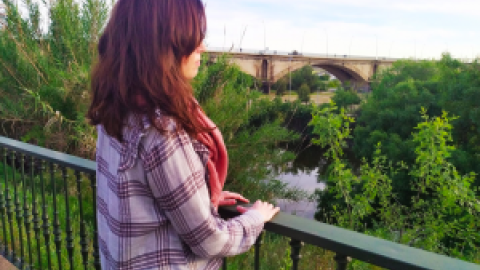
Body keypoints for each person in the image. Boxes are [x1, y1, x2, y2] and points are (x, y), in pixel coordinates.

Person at [86, 0, 280, 269]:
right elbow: (208, 240)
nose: (202, 47)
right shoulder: (163, 130)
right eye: (193, 38)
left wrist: (201, 198)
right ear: (164, 47)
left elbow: (141, 194)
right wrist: (255, 218)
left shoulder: (116, 110)